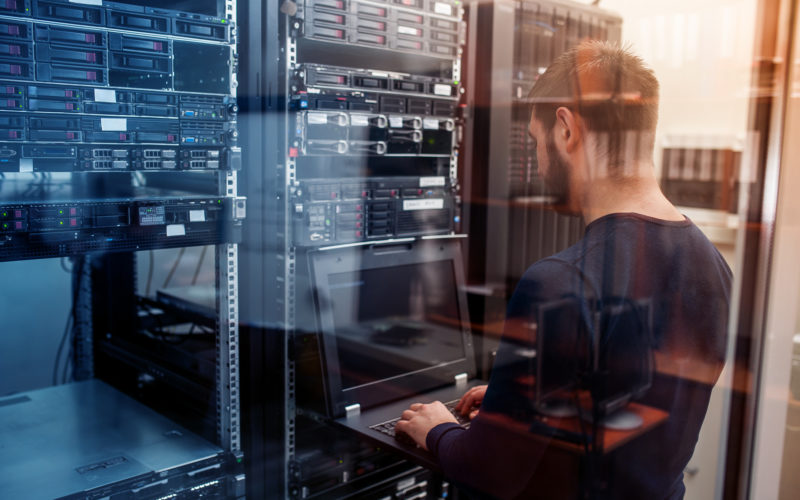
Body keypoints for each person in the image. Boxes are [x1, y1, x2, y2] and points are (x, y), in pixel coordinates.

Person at [395, 41, 732, 499]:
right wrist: (511, 400)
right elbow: (630, 401)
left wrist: (437, 429)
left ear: (566, 129)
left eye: (535, 143)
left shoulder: (559, 282)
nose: (536, 163)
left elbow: (490, 472)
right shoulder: (713, 264)